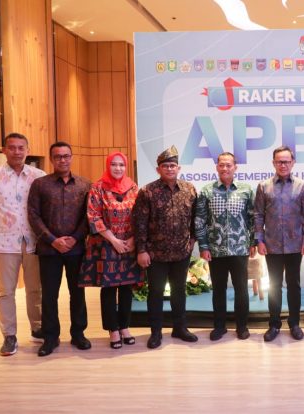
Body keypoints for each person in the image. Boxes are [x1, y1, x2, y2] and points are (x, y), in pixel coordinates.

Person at [0, 133, 46, 356]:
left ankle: (38, 328)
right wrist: (3, 226)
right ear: (4, 150)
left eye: (21, 148)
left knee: (35, 288)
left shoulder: (39, 177)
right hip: (4, 243)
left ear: (27, 150)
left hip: (34, 242)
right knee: (6, 291)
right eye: (12, 147)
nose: (17, 152)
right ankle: (9, 336)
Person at [28, 141, 91, 356]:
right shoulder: (40, 184)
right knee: (49, 295)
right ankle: (50, 337)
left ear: (71, 157)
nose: (62, 160)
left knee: (78, 293)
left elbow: (89, 216)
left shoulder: (85, 184)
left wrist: (75, 238)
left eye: (66, 156)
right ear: (52, 159)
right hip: (49, 250)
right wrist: (53, 240)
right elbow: (33, 215)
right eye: (58, 156)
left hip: (76, 249)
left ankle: (78, 334)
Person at [132, 145, 199, 349]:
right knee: (156, 293)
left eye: (172, 165)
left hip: (181, 253)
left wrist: (193, 239)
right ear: (158, 169)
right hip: (156, 254)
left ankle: (180, 328)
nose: (169, 169)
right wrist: (141, 250)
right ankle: (156, 332)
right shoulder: (147, 191)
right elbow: (139, 223)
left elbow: (196, 218)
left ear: (179, 168)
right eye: (165, 166)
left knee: (179, 291)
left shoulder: (189, 189)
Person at [78, 152, 145, 349]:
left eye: (121, 165)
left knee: (126, 287)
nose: (118, 168)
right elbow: (93, 216)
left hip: (129, 244)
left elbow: (140, 216)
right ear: (108, 166)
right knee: (109, 288)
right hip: (106, 244)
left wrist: (132, 240)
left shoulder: (133, 187)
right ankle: (112, 329)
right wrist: (114, 240)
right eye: (114, 164)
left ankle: (124, 326)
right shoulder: (98, 187)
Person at [195, 152, 256, 341]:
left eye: (228, 165)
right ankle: (219, 327)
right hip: (216, 250)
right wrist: (203, 246)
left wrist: (253, 242)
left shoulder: (246, 190)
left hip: (240, 249)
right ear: (217, 167)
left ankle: (242, 326)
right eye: (221, 165)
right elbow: (200, 220)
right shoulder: (207, 191)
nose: (225, 168)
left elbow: (253, 218)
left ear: (235, 167)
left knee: (241, 289)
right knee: (219, 290)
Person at [254, 146, 304, 342]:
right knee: (274, 285)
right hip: (272, 244)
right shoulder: (263, 186)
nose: (283, 165)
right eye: (279, 161)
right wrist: (259, 240)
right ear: (273, 163)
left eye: (287, 161)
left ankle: (295, 323)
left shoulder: (302, 186)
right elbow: (258, 215)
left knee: (294, 285)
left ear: (293, 163)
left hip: (295, 244)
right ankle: (274, 324)